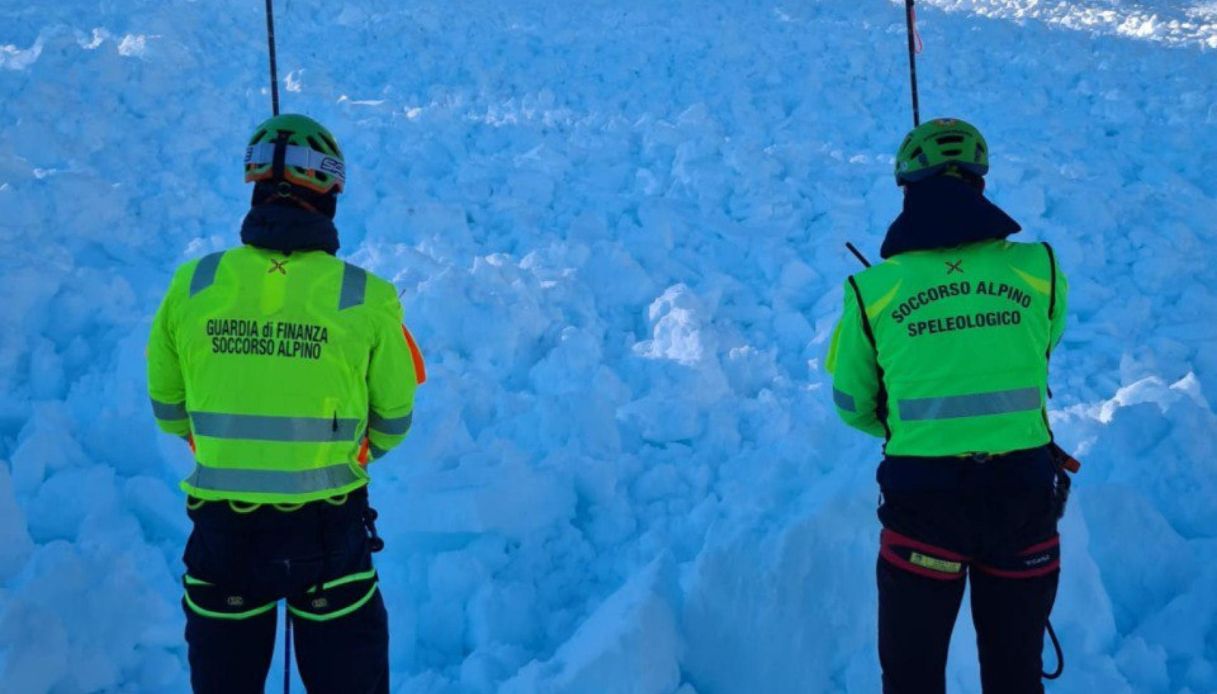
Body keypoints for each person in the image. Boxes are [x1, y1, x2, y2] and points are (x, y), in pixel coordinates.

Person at [147, 113, 426, 694]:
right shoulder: (365, 296)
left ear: (253, 186)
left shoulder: (192, 284)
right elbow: (394, 422)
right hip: (329, 537)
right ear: (329, 191)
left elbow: (170, 409)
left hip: (224, 539)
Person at [827, 118, 1071, 694]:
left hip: (923, 503)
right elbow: (1042, 348)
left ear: (907, 191)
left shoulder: (873, 290)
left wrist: (917, 423)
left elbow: (850, 401)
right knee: (1016, 678)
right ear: (980, 187)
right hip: (1023, 498)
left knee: (912, 680)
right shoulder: (1042, 269)